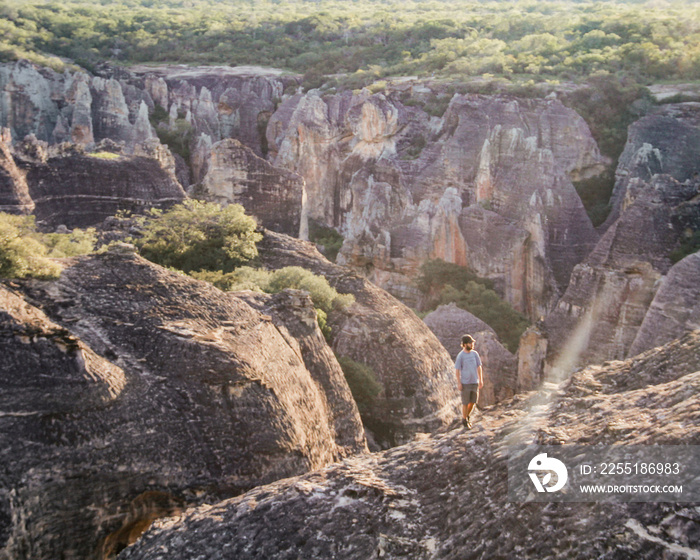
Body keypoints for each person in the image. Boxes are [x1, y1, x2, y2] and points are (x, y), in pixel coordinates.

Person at [455, 334, 483, 429]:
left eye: (472, 343)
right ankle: (464, 420)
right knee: (465, 402)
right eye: (471, 343)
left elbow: (479, 367)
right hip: (465, 383)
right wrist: (459, 382)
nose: (472, 344)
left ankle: (467, 416)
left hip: (474, 382)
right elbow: (457, 370)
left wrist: (480, 379)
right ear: (465, 344)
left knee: (473, 402)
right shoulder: (461, 356)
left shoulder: (475, 354)